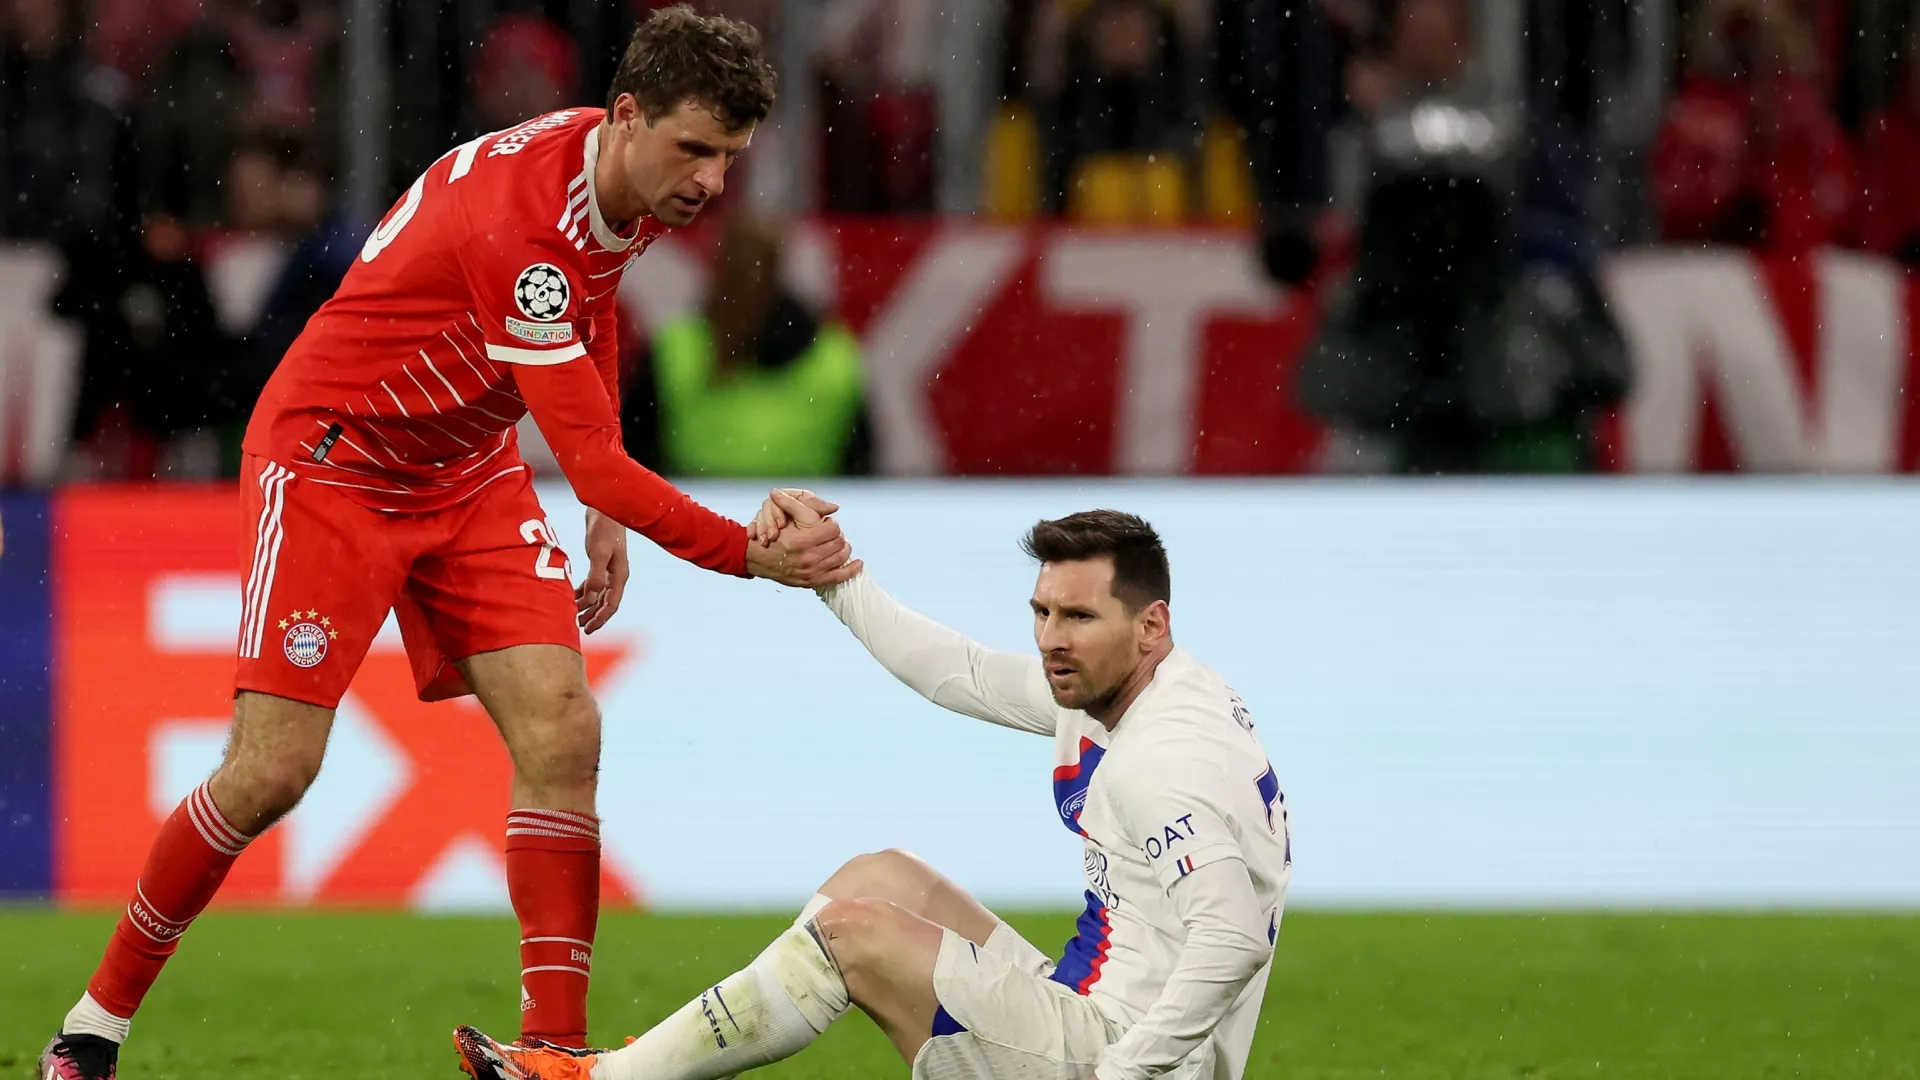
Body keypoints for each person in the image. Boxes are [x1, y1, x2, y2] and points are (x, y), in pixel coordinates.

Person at [38, 9, 858, 1080]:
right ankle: (91, 1030)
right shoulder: (521, 228)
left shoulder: (610, 171)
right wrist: (747, 550)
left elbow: (593, 301)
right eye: (694, 149)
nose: (708, 181)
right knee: (272, 772)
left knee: (564, 732)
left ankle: (556, 1055)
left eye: (729, 158)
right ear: (628, 117)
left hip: (463, 467)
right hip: (337, 461)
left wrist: (604, 518)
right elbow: (593, 429)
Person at [454, 502, 1293, 1080]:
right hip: (1088, 1001)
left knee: (851, 936)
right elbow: (959, 672)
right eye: (1041, 612)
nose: (1048, 641)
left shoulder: (1166, 758)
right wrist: (833, 575)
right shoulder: (1131, 687)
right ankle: (640, 1070)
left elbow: (1233, 937)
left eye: (1076, 618)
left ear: (1152, 625)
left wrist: (1128, 1068)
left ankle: (609, 1079)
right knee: (877, 881)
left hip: (1121, 1052)